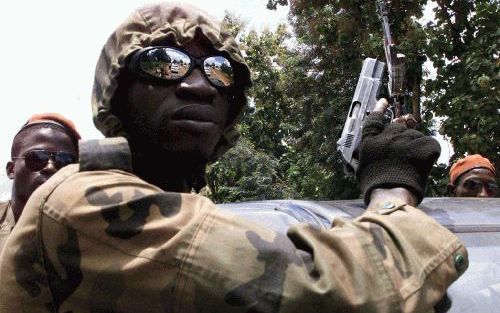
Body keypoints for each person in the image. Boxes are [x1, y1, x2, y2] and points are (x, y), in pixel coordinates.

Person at [0, 3, 467, 312]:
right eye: (164, 63)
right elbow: (335, 290)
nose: (199, 84)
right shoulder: (86, 203)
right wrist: (392, 190)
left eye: (221, 71)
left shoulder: (169, 204)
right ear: (118, 98)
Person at [0, 113, 80, 254]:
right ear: (11, 170)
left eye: (64, 161)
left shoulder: (87, 230)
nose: (50, 167)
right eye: (37, 157)